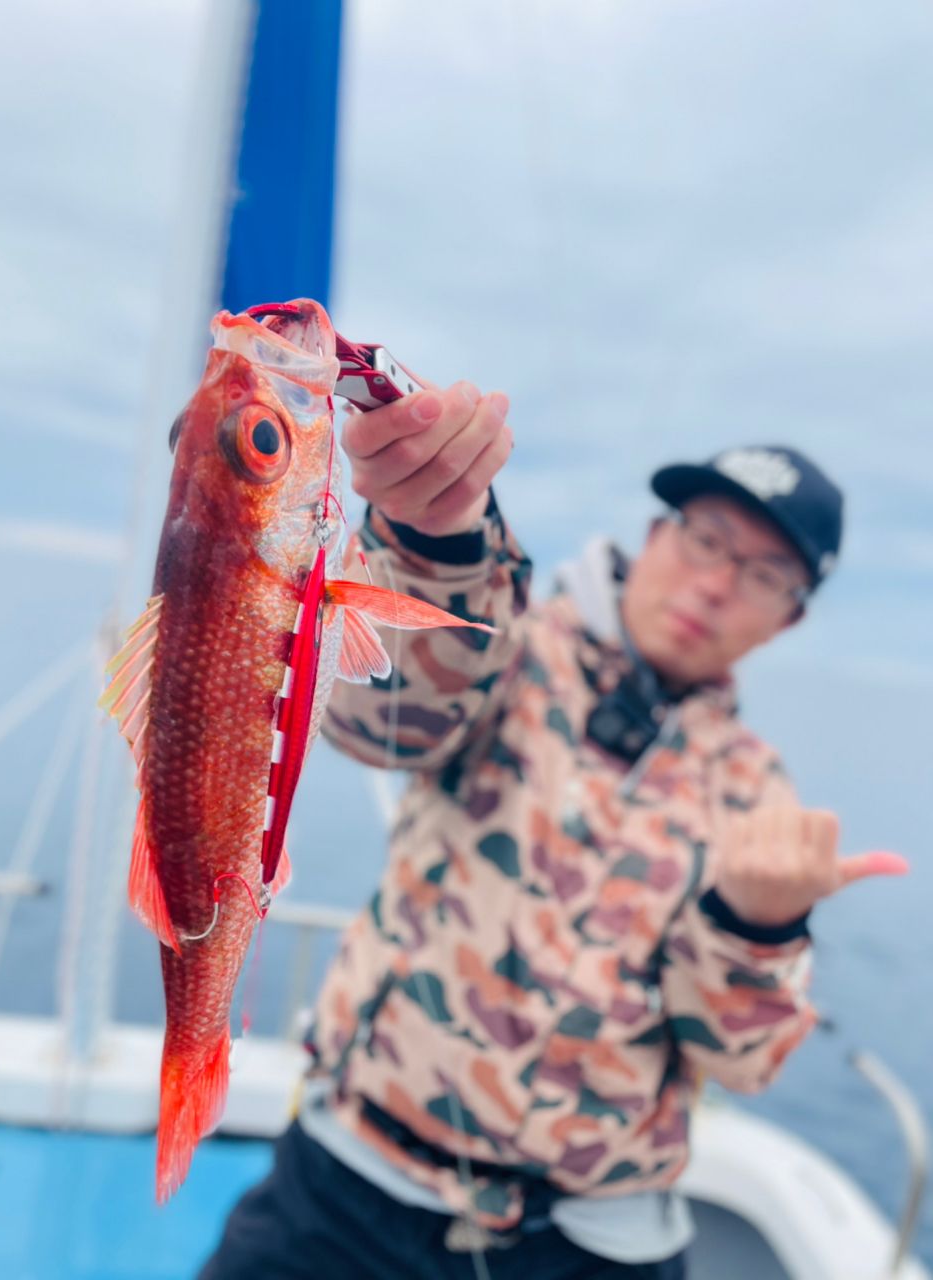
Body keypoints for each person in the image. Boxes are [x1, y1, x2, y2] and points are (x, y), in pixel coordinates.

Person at [199, 382, 906, 1279]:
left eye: (763, 575)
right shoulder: (509, 646)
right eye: (705, 540)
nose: (715, 583)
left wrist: (756, 924)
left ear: (788, 617)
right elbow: (381, 720)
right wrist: (437, 536)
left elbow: (742, 1059)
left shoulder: (760, 796)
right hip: (349, 1184)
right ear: (656, 538)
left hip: (587, 1245)